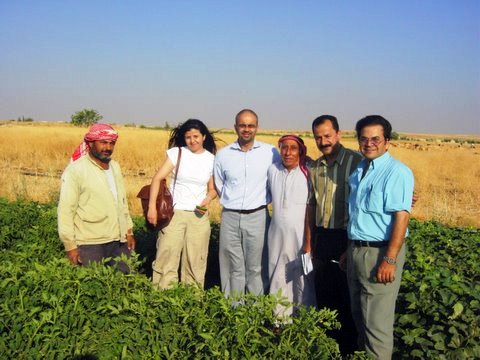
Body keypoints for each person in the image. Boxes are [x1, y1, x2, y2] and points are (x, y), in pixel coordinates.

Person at [347, 115, 414, 359]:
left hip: (380, 254)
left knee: (377, 327)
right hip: (357, 251)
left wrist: (390, 259)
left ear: (387, 141)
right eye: (364, 139)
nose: (369, 143)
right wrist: (350, 249)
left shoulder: (397, 172)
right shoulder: (359, 172)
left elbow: (401, 217)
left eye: (375, 138)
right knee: (360, 320)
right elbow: (358, 216)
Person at [308, 115, 361, 355]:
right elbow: (312, 206)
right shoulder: (315, 167)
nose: (323, 141)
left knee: (346, 297)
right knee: (324, 294)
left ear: (338, 134)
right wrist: (309, 241)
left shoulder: (357, 162)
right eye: (318, 137)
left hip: (346, 237)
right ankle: (327, 346)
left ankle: (348, 348)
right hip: (322, 238)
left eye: (327, 135)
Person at [214, 109, 280, 297]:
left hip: (258, 215)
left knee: (256, 265)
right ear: (235, 127)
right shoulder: (223, 155)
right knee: (231, 264)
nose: (246, 129)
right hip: (230, 216)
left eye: (251, 125)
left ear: (257, 128)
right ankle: (233, 310)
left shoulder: (270, 152)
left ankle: (256, 311)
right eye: (242, 125)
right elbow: (220, 184)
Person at [148, 119, 217, 289]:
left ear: (204, 137)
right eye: (188, 137)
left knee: (195, 260)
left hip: (198, 216)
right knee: (166, 256)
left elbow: (213, 189)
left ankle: (191, 301)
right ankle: (162, 298)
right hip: (174, 214)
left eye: (196, 136)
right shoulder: (177, 153)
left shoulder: (212, 159)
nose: (192, 141)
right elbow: (157, 178)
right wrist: (151, 208)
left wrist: (206, 201)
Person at [58, 124, 135, 273]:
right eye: (103, 142)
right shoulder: (76, 171)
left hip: (119, 240)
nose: (108, 147)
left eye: (111, 143)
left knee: (122, 284)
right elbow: (66, 210)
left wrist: (129, 231)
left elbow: (122, 202)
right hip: (90, 243)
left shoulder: (115, 167)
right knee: (93, 287)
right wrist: (70, 246)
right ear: (91, 143)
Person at [267, 135, 316, 318]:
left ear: (301, 151)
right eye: (284, 148)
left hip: (302, 237)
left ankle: (305, 318)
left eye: (293, 148)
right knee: (278, 274)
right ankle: (279, 319)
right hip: (276, 236)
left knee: (304, 277)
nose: (287, 152)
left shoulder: (308, 171)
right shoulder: (273, 170)